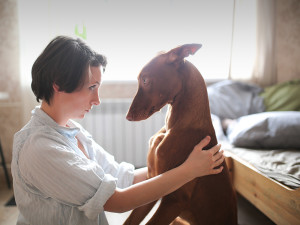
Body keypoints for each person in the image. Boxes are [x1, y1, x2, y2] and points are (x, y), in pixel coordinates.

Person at [11, 35, 225, 225]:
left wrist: (177, 163)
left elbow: (123, 176)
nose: (97, 100)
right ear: (58, 84)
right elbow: (116, 201)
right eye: (91, 87)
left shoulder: (73, 132)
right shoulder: (39, 148)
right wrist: (188, 171)